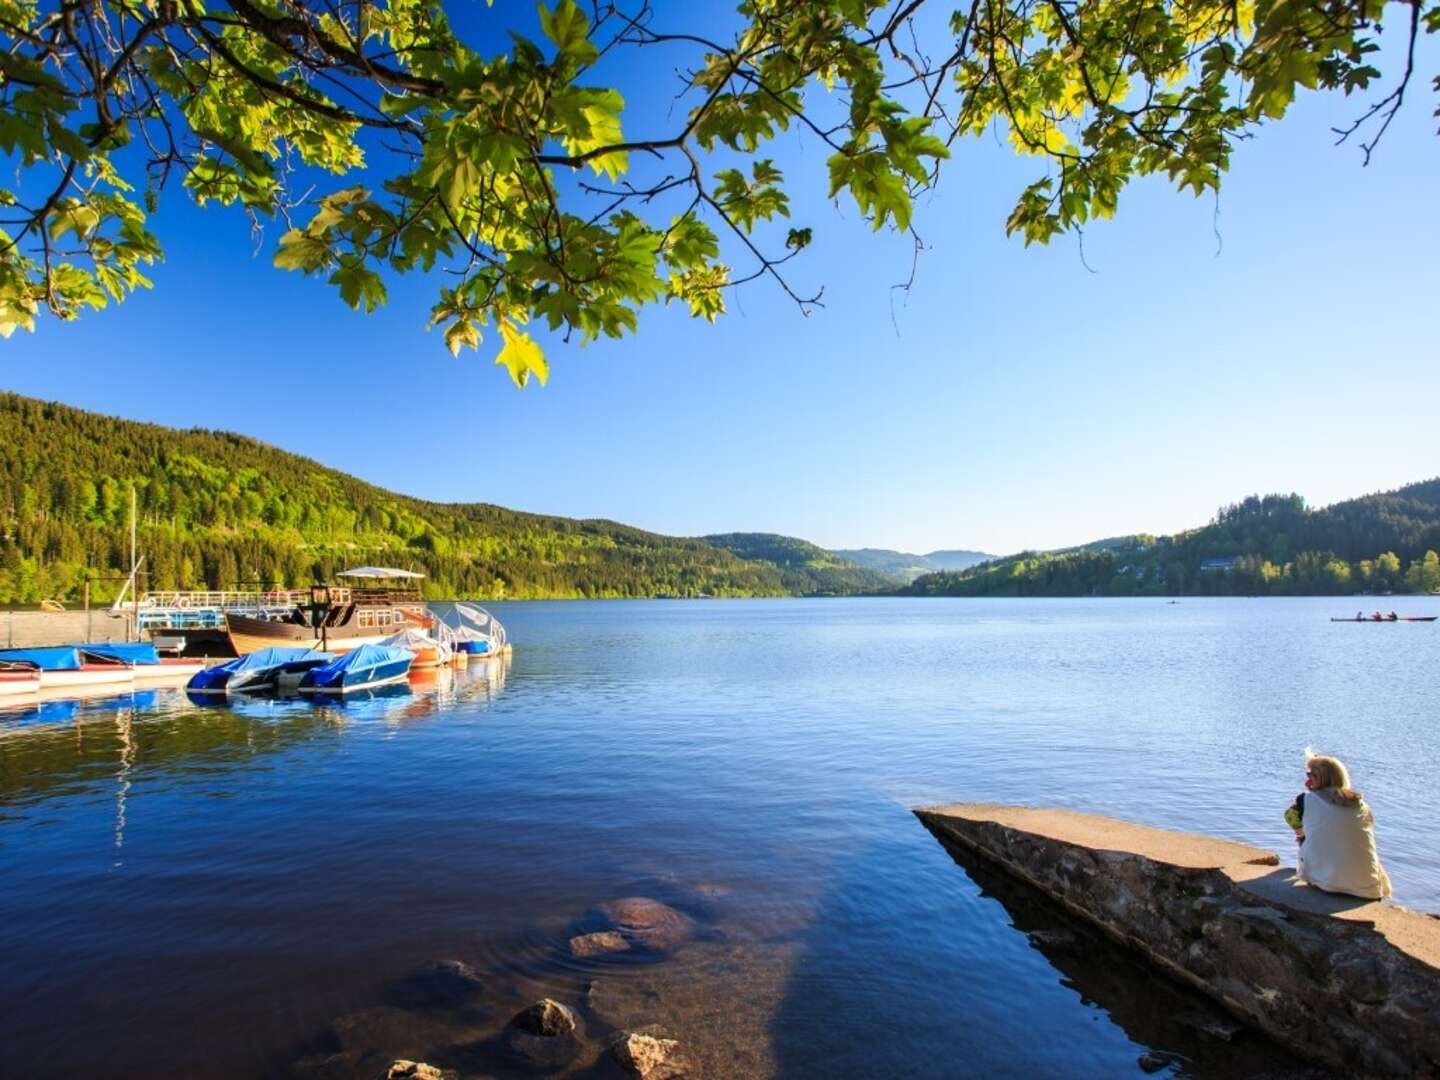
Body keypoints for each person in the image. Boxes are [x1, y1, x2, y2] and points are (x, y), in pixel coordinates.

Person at [1284, 754, 1392, 899]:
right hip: (1367, 887)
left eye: (1310, 775)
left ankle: (1317, 871)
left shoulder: (1305, 800)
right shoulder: (1360, 804)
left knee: (1308, 837)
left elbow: (1289, 817)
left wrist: (1302, 833)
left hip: (1327, 883)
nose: (1307, 780)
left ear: (1319, 778)